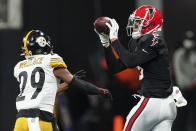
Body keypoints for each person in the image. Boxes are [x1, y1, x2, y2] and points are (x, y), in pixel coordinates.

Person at [94, 5, 187, 131]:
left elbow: (131, 61)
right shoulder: (139, 42)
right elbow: (114, 68)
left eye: (138, 22)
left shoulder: (155, 38)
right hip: (166, 105)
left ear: (151, 24)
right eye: (135, 22)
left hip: (153, 102)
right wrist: (106, 44)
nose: (134, 26)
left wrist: (114, 39)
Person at [13, 30, 112, 131]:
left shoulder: (19, 67)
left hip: (21, 120)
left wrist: (67, 84)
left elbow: (46, 92)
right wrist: (100, 91)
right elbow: (80, 85)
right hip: (41, 119)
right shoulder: (50, 60)